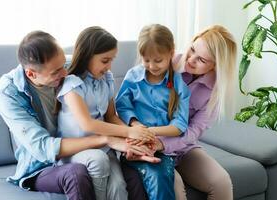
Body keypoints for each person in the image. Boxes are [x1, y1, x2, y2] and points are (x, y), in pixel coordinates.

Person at [55, 26, 158, 200]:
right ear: (87, 55)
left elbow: (111, 116)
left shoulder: (106, 79)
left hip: (104, 147)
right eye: (104, 60)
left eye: (112, 60)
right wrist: (129, 131)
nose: (109, 66)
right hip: (76, 149)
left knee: (119, 186)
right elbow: (87, 124)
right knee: (98, 160)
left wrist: (133, 138)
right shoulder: (72, 85)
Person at [157, 25, 237, 200]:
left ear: (215, 66)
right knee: (174, 186)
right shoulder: (165, 64)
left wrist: (166, 145)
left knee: (221, 182)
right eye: (192, 49)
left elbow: (194, 131)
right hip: (152, 144)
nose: (191, 59)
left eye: (201, 59)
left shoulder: (215, 90)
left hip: (183, 147)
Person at [115, 24, 191, 200]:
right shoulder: (133, 77)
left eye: (158, 60)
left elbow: (180, 125)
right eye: (146, 60)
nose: (152, 65)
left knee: (159, 176)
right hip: (135, 143)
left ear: (171, 53)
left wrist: (149, 133)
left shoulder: (179, 85)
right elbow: (122, 106)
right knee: (151, 175)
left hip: (163, 147)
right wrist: (135, 124)